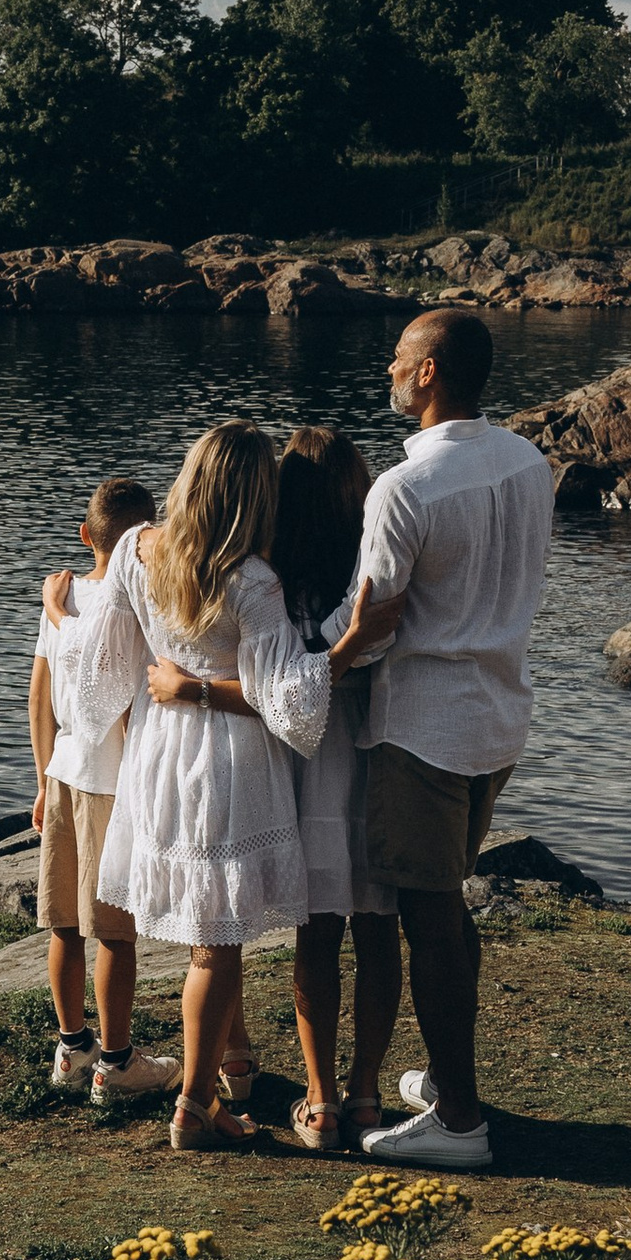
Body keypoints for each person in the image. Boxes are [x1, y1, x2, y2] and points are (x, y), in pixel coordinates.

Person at [49, 421, 392, 1152]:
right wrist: (350, 646)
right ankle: (197, 1108)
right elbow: (289, 699)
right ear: (253, 492)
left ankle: (213, 1093)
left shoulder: (139, 549)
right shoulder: (252, 581)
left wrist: (61, 623)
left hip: (159, 753)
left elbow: (103, 671)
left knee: (209, 935)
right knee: (218, 942)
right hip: (232, 760)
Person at [352, 308, 555, 1173]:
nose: (388, 369)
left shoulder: (404, 490)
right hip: (500, 713)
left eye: (398, 356)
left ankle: (461, 1122)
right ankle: (445, 1078)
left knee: (427, 915)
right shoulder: (527, 462)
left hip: (424, 727)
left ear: (429, 372)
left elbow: (372, 621)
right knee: (448, 902)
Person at [270, 427, 403, 1153]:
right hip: (373, 748)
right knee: (378, 927)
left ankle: (319, 1100)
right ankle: (365, 1092)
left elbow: (291, 669)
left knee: (317, 932)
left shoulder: (274, 571)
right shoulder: (373, 561)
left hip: (308, 759)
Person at [28, 471, 173, 1107]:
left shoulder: (66, 600)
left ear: (86, 535)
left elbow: (40, 696)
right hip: (113, 784)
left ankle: (72, 1045)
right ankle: (115, 1063)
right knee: (114, 929)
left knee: (65, 922)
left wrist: (41, 778)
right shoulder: (141, 605)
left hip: (62, 771)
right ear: (150, 536)